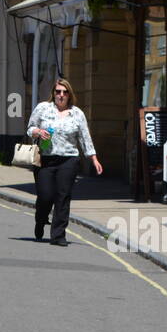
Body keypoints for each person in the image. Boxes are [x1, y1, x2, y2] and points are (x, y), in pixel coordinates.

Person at [27, 78, 102, 246]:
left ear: (69, 95)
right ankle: (40, 220)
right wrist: (38, 132)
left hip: (68, 160)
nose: (61, 95)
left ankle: (58, 235)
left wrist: (94, 158)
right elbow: (30, 128)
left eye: (64, 92)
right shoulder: (43, 108)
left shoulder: (77, 114)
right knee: (45, 196)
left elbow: (84, 138)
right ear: (53, 93)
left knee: (63, 196)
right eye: (58, 92)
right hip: (45, 159)